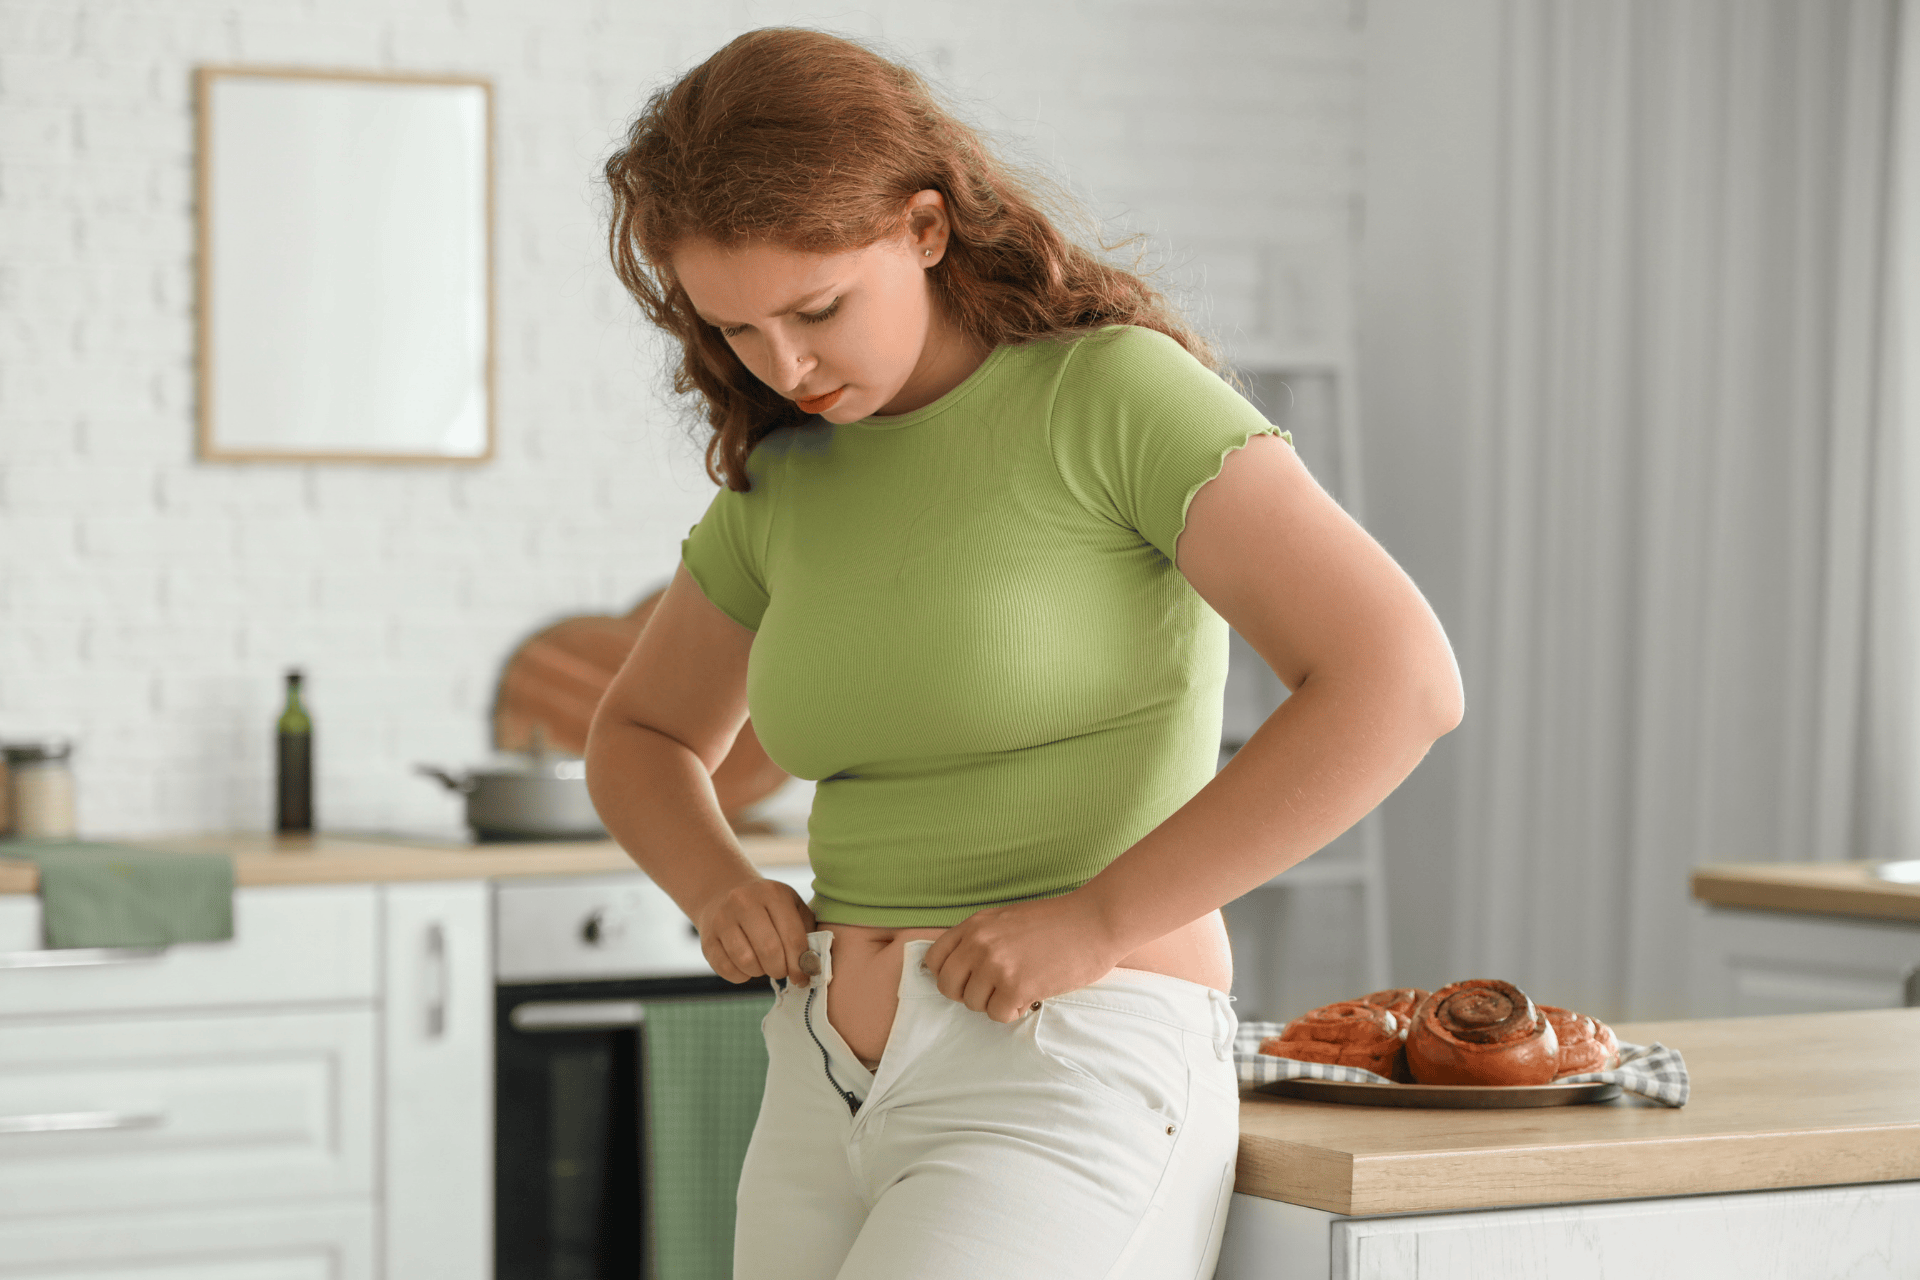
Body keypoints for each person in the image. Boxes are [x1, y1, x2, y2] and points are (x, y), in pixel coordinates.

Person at [586, 26, 1463, 1280]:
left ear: (927, 228)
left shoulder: (1113, 397)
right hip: (819, 1076)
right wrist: (715, 885)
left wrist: (1098, 917)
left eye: (817, 308)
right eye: (737, 331)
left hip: (1067, 1060)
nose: (783, 364)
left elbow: (1400, 682)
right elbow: (641, 735)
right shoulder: (787, 476)